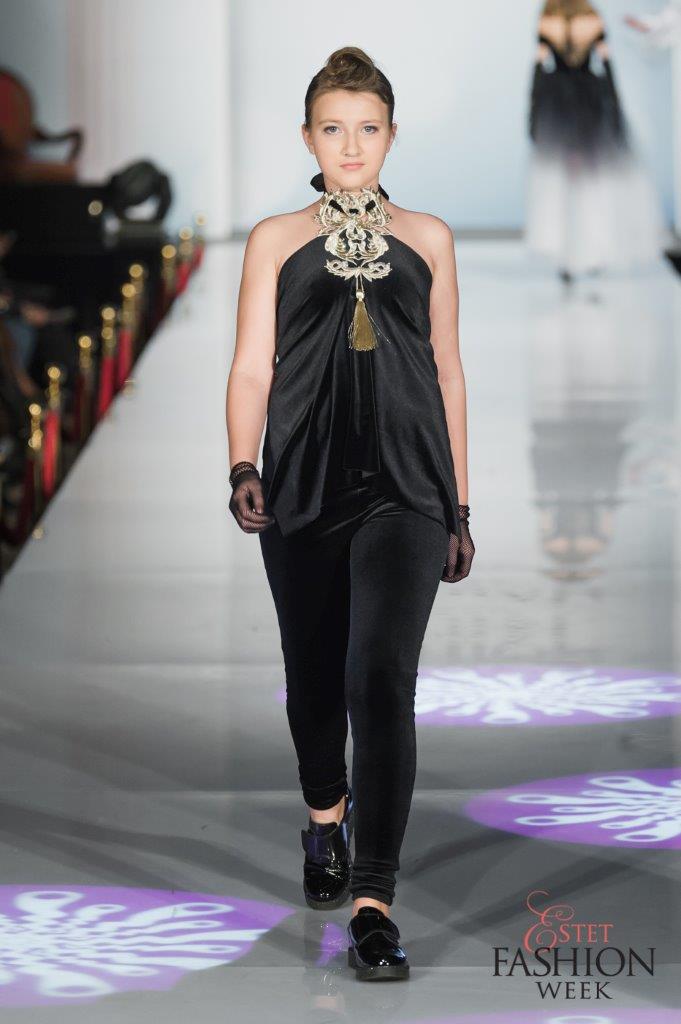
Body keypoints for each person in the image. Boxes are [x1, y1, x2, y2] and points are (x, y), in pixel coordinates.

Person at [225, 46, 474, 981]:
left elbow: (448, 371)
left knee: (380, 680)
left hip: (408, 487)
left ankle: (373, 903)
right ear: (307, 138)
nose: (351, 145)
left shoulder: (431, 237)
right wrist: (241, 463)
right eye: (333, 128)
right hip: (304, 482)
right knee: (314, 676)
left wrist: (457, 502)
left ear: (392, 135)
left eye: (367, 128)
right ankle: (324, 817)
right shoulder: (273, 240)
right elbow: (251, 365)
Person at [525, 0, 665, 281]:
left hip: (556, 103)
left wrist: (534, 112)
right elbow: (606, 60)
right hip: (590, 100)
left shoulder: (548, 17)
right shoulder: (591, 18)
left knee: (560, 183)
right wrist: (614, 107)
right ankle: (589, 253)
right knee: (591, 183)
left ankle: (567, 255)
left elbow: (539, 64)